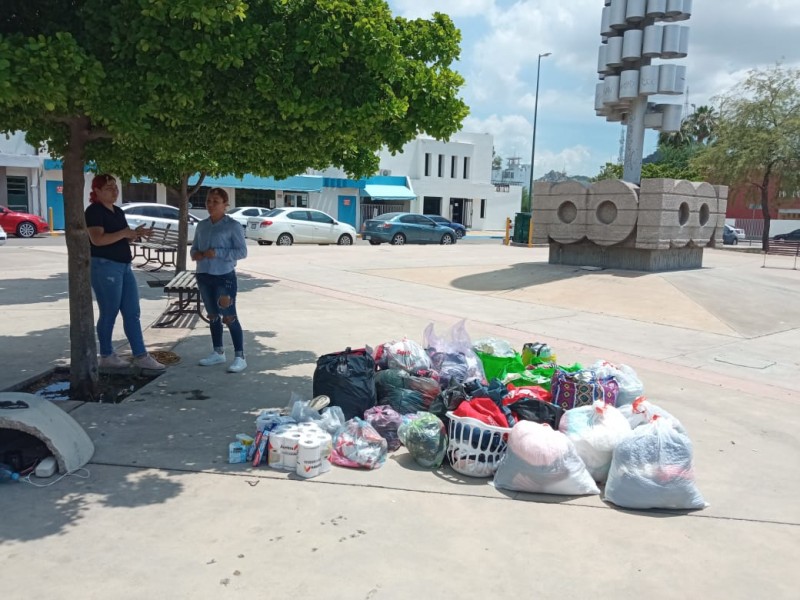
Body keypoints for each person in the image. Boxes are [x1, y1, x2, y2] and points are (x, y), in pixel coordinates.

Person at [84, 174, 166, 371]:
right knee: (109, 311)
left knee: (132, 312)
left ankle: (141, 355)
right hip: (104, 266)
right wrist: (124, 233)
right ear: (96, 191)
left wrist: (135, 234)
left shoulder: (118, 211)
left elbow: (122, 237)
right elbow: (98, 240)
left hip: (124, 266)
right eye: (109, 187)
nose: (114, 190)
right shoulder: (94, 211)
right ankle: (106, 355)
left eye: (115, 187)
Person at [191, 187, 248, 373]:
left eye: (216, 201)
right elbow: (194, 248)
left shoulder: (232, 226)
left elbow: (242, 252)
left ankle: (240, 356)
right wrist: (197, 254)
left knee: (229, 316)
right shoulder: (202, 225)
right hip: (204, 275)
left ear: (225, 205)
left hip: (224, 277)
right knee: (213, 315)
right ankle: (218, 352)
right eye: (208, 201)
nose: (211, 205)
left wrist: (218, 253)